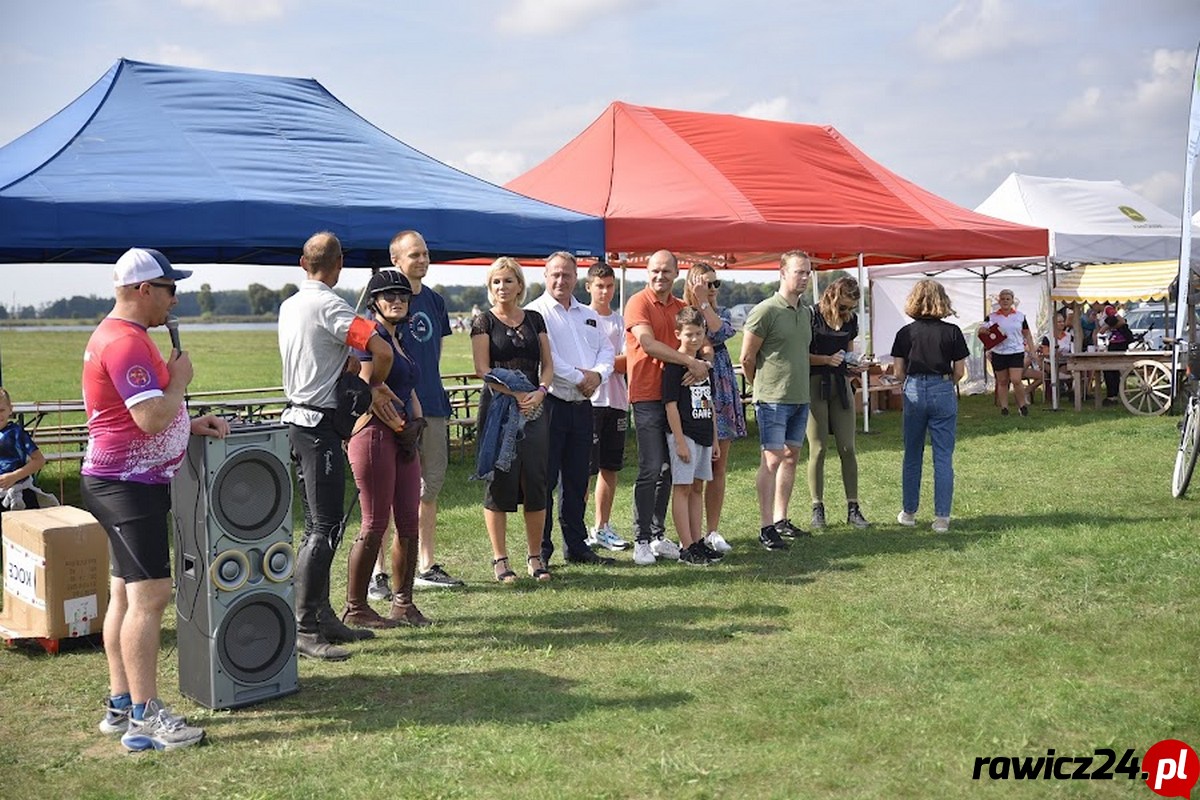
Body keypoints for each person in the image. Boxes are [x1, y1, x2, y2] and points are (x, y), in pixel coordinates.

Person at [82, 247, 230, 751]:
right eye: (170, 288)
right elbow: (147, 420)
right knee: (151, 596)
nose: (176, 298)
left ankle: (122, 704)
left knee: (125, 593)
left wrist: (190, 424)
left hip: (122, 481)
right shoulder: (124, 342)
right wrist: (182, 382)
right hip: (128, 487)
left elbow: (142, 420)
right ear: (145, 290)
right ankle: (146, 716)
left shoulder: (126, 337)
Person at [279, 232, 401, 661]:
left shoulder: (289, 304)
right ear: (339, 265)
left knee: (318, 524)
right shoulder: (331, 305)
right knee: (323, 527)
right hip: (320, 424)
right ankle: (307, 627)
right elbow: (379, 347)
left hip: (298, 418)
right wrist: (374, 385)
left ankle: (322, 615)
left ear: (302, 263)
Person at [343, 270, 432, 630]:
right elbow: (370, 390)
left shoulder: (400, 339)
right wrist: (400, 426)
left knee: (409, 523)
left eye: (402, 296)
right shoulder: (369, 337)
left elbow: (407, 385)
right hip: (375, 435)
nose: (397, 301)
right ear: (375, 302)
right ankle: (355, 607)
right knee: (375, 523)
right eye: (389, 296)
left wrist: (417, 423)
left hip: (403, 437)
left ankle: (403, 604)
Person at [527, 252, 616, 567]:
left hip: (582, 405)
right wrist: (582, 377)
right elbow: (546, 358)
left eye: (567, 275)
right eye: (555, 275)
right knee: (546, 479)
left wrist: (599, 375)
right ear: (545, 276)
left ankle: (577, 546)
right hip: (551, 404)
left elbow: (607, 348)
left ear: (577, 278)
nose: (561, 280)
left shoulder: (586, 313)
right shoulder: (535, 313)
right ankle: (542, 549)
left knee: (577, 479)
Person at [389, 230, 465, 590]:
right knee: (389, 491)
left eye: (425, 253)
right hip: (394, 410)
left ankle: (426, 564)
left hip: (433, 405)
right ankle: (380, 573)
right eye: (414, 254)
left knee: (429, 487)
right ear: (396, 259)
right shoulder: (384, 300)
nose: (421, 260)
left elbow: (433, 355)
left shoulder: (435, 301)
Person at [471, 257, 555, 583]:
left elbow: (548, 364)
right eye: (496, 282)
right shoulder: (483, 322)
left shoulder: (535, 319)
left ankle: (536, 558)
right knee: (500, 480)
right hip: (498, 409)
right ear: (490, 287)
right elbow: (482, 369)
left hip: (534, 409)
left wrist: (541, 392)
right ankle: (500, 559)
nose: (502, 287)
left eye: (508, 281)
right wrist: (513, 393)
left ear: (520, 285)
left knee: (535, 481)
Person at [625, 250, 710, 566]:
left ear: (676, 274)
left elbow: (704, 343)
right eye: (655, 271)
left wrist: (704, 364)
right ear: (647, 272)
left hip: (678, 399)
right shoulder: (638, 302)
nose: (660, 277)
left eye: (666, 271)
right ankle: (641, 539)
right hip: (647, 395)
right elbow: (647, 344)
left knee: (670, 471)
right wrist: (690, 361)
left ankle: (659, 536)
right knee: (651, 467)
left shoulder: (681, 308)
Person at [739, 250, 814, 551]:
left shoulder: (806, 312)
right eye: (800, 272)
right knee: (771, 460)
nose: (805, 277)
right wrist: (759, 386)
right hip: (771, 399)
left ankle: (782, 519)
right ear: (782, 273)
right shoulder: (765, 311)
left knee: (791, 457)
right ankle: (765, 526)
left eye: (808, 272)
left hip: (799, 397)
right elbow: (746, 357)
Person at [890, 279, 970, 533]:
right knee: (943, 456)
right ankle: (942, 518)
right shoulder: (953, 332)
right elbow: (960, 370)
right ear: (942, 301)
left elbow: (898, 371)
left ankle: (909, 512)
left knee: (912, 454)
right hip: (942, 388)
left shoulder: (905, 333)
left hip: (913, 388)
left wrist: (913, 383)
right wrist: (946, 383)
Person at [682, 263, 744, 553]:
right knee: (696, 467)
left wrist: (706, 302)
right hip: (696, 386)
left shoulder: (720, 312)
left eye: (715, 283)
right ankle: (692, 533)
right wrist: (698, 302)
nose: (711, 288)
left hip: (722, 387)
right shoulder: (683, 312)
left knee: (719, 466)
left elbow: (720, 333)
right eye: (705, 283)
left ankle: (713, 530)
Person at [806, 277, 869, 530]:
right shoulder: (811, 315)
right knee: (818, 448)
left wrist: (855, 365)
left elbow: (848, 352)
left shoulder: (850, 320)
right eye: (843, 306)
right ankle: (817, 507)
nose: (847, 312)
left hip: (840, 384)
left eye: (851, 308)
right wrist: (824, 360)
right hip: (814, 384)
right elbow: (799, 354)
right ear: (832, 297)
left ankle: (853, 507)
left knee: (847, 447)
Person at [663, 307, 722, 566]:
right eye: (689, 334)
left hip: (703, 433)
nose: (695, 339)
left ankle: (697, 542)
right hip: (684, 434)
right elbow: (670, 405)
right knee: (683, 488)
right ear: (678, 334)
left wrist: (715, 439)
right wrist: (678, 440)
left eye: (699, 333)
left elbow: (710, 404)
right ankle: (686, 545)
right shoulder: (675, 364)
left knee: (698, 487)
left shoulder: (704, 367)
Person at [585, 262, 630, 552]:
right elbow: (579, 361)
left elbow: (630, 360)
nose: (605, 291)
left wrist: (600, 364)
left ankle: (602, 526)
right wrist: (607, 364)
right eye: (599, 286)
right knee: (583, 469)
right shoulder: (582, 319)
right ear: (588, 287)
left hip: (617, 401)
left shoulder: (620, 321)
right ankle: (577, 527)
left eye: (609, 286)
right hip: (589, 401)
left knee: (609, 467)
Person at [985, 288, 1037, 417]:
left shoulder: (1020, 316)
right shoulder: (992, 317)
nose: (1005, 301)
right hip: (999, 352)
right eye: (1002, 299)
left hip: (1016, 351)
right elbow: (984, 331)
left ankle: (1022, 406)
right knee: (1002, 381)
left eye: (1008, 299)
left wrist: (1032, 350)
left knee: (1016, 380)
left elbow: (1027, 335)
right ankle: (1004, 408)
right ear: (999, 301)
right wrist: (985, 339)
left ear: (1012, 301)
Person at [0, 387, 52, 511]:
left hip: (18, 493)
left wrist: (14, 476)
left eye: (1, 410)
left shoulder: (16, 433)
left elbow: (39, 460)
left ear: (10, 410)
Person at [1099, 309, 1135, 402]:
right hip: (1115, 341)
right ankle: (1113, 393)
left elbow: (1122, 321)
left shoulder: (1108, 309)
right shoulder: (1103, 311)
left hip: (1119, 342)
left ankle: (1112, 395)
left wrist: (1106, 326)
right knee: (1112, 369)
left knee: (1110, 368)